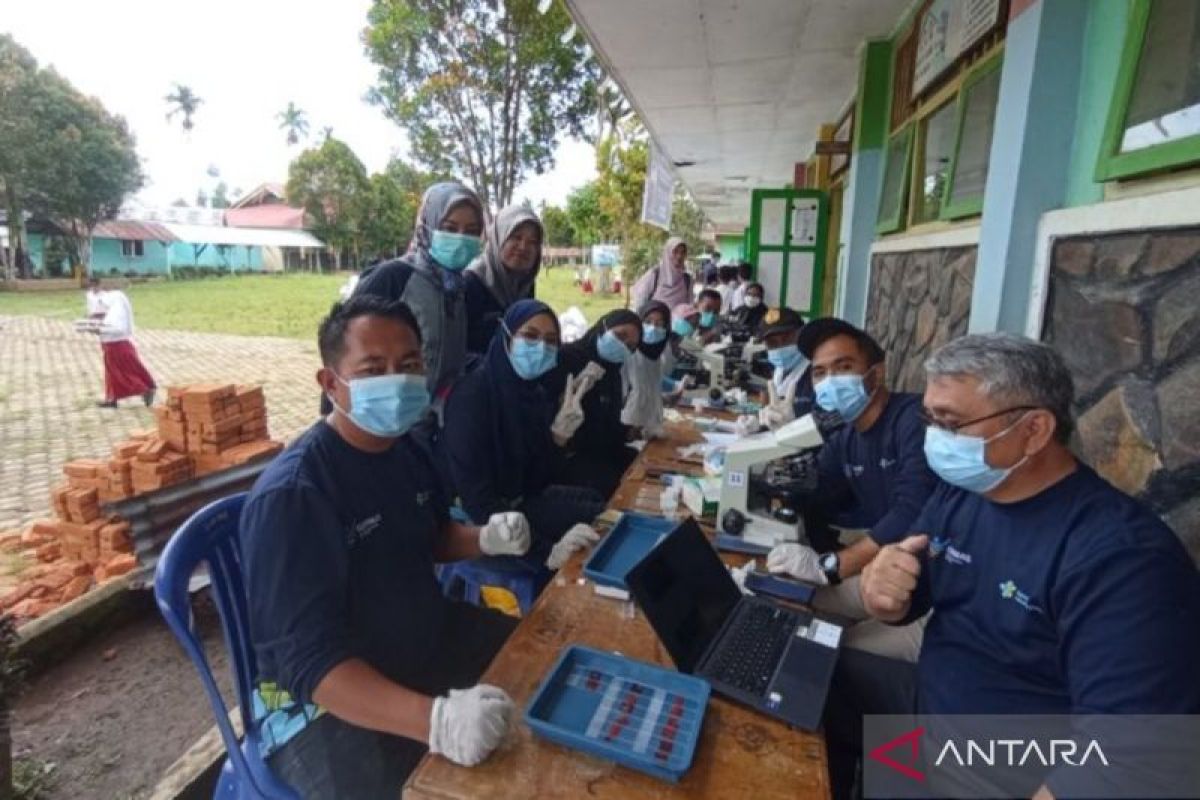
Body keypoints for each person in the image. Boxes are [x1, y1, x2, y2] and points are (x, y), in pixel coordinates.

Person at [827, 333, 1200, 800]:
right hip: (930, 715)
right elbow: (907, 591)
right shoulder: (966, 492)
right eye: (931, 419)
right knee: (805, 679)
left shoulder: (1121, 560)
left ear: (1035, 430)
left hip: (998, 770)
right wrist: (885, 592)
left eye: (952, 423)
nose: (936, 438)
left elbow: (1128, 755)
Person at [242, 295, 532, 796]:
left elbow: (432, 536)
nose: (396, 381)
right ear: (331, 383)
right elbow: (310, 664)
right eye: (374, 368)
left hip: (419, 638)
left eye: (410, 365)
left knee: (539, 662)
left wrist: (484, 538)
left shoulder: (408, 449)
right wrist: (436, 722)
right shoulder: (296, 495)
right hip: (322, 702)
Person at [765, 318, 936, 661]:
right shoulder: (845, 436)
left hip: (932, 592)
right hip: (881, 573)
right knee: (798, 602)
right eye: (820, 373)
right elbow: (820, 489)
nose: (830, 382)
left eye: (844, 367)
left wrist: (834, 565)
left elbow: (913, 509)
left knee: (839, 653)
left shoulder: (912, 420)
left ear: (876, 373)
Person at [441, 299, 606, 577]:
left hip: (519, 500)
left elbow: (537, 480)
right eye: (530, 336)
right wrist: (547, 552)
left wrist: (557, 438)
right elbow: (477, 500)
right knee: (570, 560)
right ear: (506, 336)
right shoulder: (473, 396)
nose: (541, 347)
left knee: (600, 511)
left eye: (551, 340)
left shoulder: (533, 393)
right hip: (478, 521)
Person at [354, 182, 484, 403]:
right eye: (450, 229)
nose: (461, 238)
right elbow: (347, 341)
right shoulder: (395, 276)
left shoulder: (457, 287)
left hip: (435, 422)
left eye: (471, 231)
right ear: (427, 226)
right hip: (392, 416)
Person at [556, 309, 643, 498]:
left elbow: (606, 423)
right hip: (566, 454)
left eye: (630, 347)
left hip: (598, 449)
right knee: (609, 484)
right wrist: (566, 396)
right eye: (620, 336)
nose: (623, 346)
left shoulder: (612, 371)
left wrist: (629, 431)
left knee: (640, 462)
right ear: (603, 326)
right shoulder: (567, 358)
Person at [463, 203, 543, 357]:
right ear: (499, 237)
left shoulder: (524, 283)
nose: (523, 247)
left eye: (532, 242)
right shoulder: (472, 282)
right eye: (516, 237)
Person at [83, 278, 156, 409]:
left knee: (122, 373)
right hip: (112, 343)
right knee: (112, 372)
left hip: (117, 344)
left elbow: (113, 326)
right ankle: (112, 398)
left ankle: (144, 389)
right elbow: (96, 315)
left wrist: (95, 328)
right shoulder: (104, 300)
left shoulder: (115, 304)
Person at [621, 301, 680, 440]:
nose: (653, 328)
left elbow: (654, 382)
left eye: (660, 324)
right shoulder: (628, 352)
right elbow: (623, 392)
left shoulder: (659, 352)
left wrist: (666, 395)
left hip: (651, 423)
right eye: (647, 322)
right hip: (629, 424)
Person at [630, 237, 692, 310]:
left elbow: (690, 304)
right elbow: (640, 300)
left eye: (682, 252)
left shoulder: (687, 279)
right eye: (675, 252)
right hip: (656, 320)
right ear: (667, 253)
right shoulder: (655, 274)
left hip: (679, 321)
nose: (679, 256)